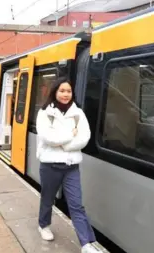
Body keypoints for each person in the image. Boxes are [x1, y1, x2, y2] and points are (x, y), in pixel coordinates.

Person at [35, 77, 99, 253]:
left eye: (68, 91)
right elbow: (47, 137)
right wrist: (71, 135)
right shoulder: (45, 113)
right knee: (47, 199)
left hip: (71, 166)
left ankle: (86, 244)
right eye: (62, 91)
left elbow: (84, 137)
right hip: (50, 166)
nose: (65, 94)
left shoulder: (78, 113)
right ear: (55, 92)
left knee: (77, 204)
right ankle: (44, 225)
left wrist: (64, 143)